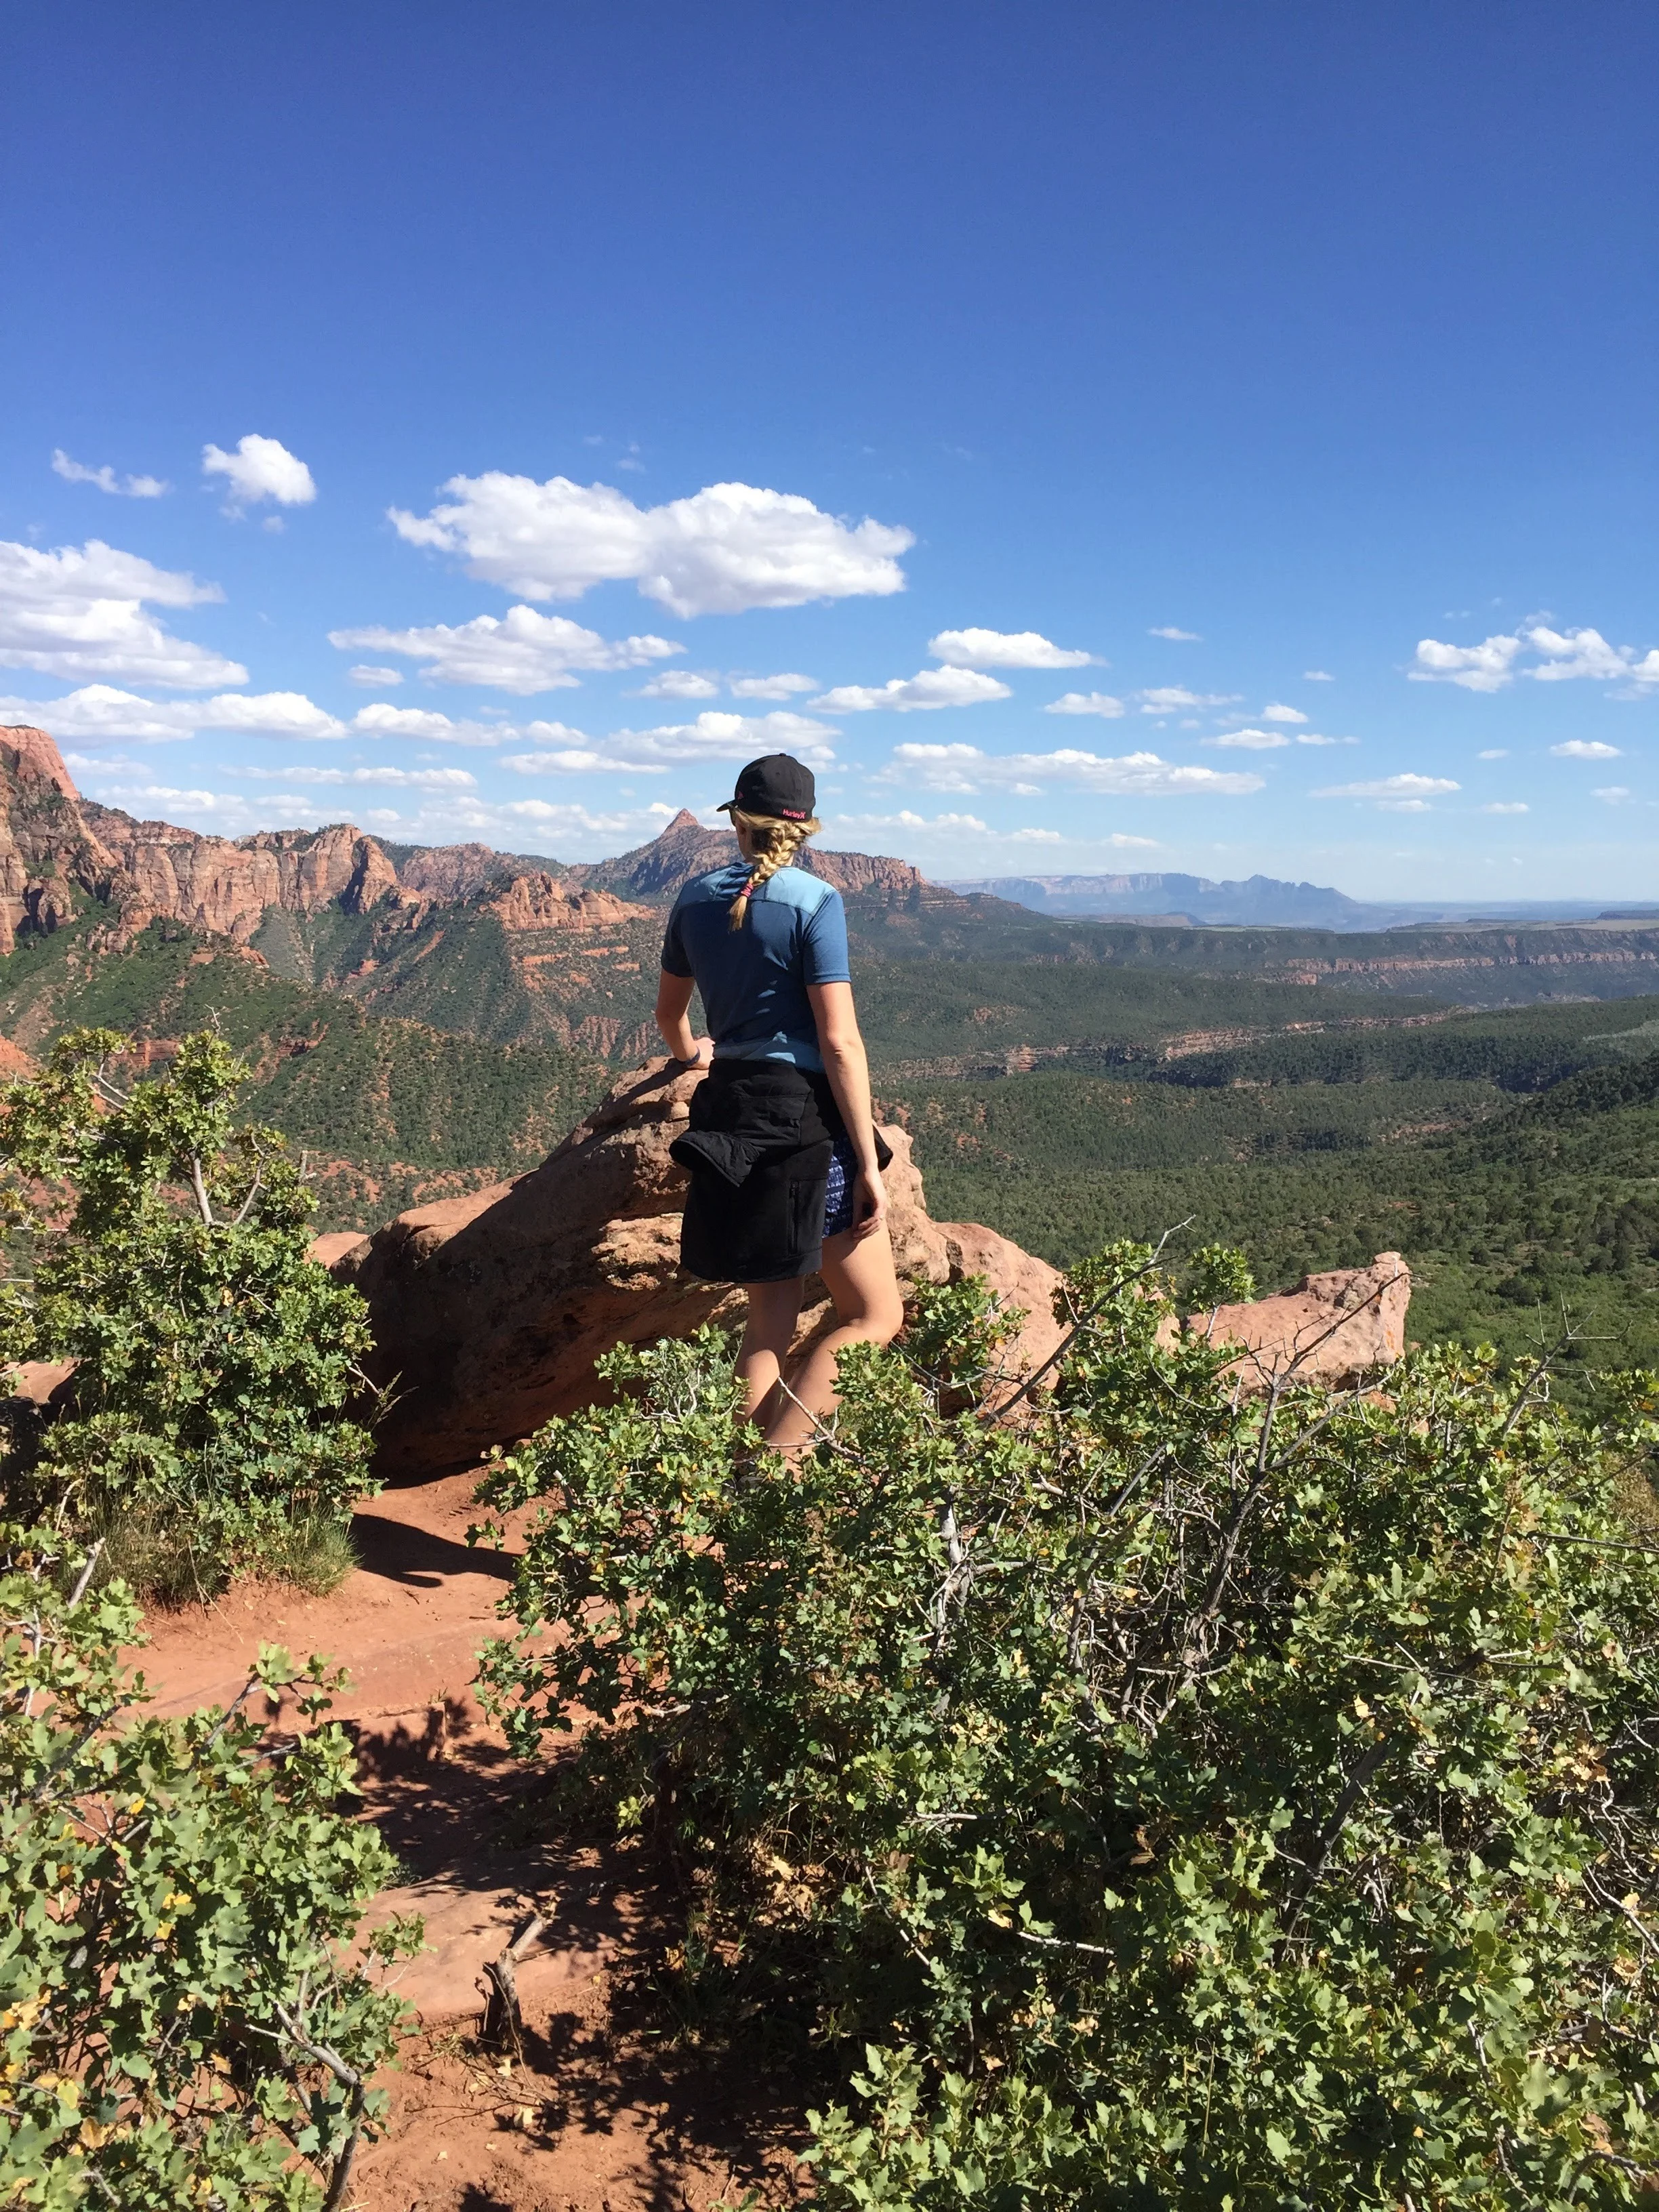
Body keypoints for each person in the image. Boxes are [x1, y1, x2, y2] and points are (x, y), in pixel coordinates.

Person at [655, 752, 905, 1448]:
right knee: (874, 1316)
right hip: (803, 1121)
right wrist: (867, 1162)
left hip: (732, 1111)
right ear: (805, 830)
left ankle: (733, 1484)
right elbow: (840, 1043)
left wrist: (692, 1055)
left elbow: (670, 1015)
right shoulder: (815, 903)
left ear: (738, 820)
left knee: (770, 1316)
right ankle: (777, 1471)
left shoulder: (694, 899)